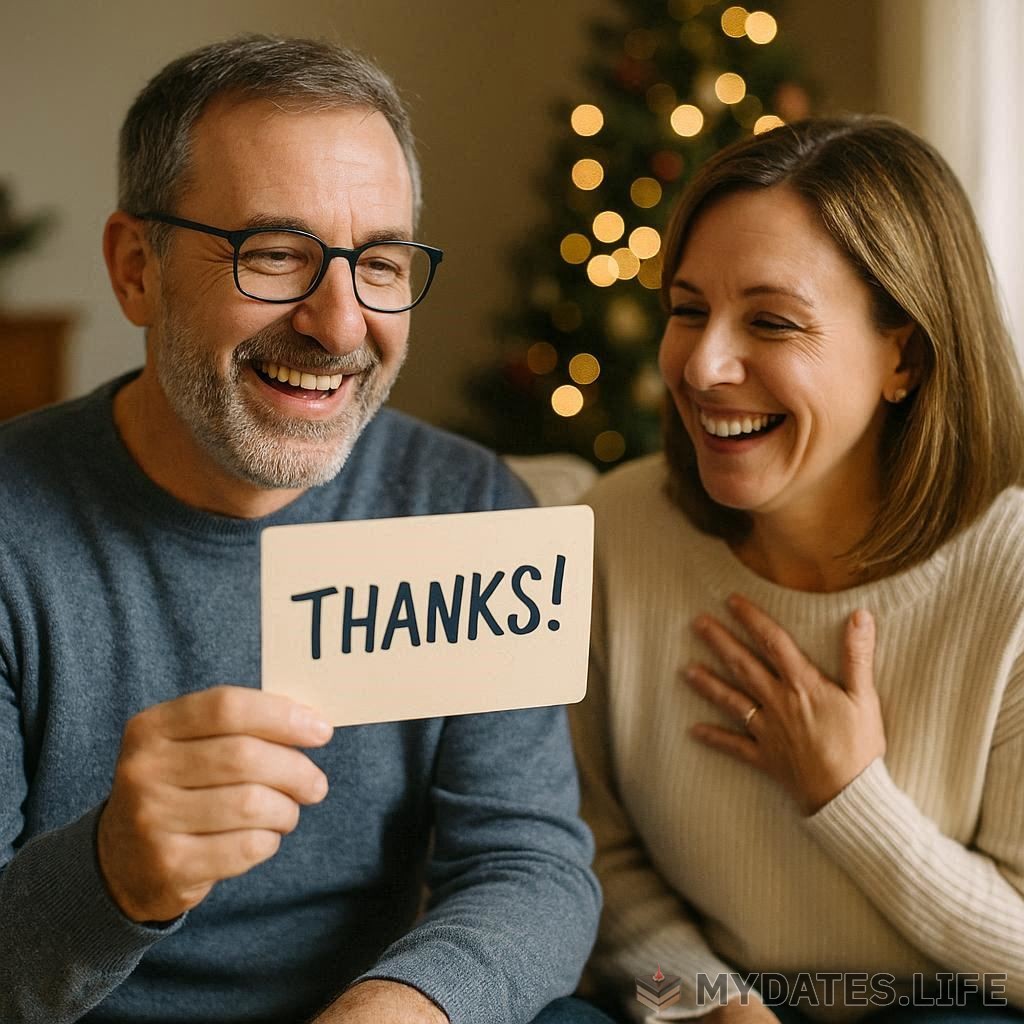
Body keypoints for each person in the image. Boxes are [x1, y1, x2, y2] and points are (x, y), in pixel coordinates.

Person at [0, 35, 610, 1024]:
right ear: (134, 268)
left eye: (379, 261)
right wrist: (111, 874)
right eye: (274, 254)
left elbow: (529, 865)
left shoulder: (468, 508)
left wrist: (403, 1005)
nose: (338, 324)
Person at [571, 116, 1024, 1024]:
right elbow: (588, 862)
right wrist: (711, 1006)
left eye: (771, 321)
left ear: (907, 356)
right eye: (688, 309)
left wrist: (848, 795)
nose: (701, 365)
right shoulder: (612, 534)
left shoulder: (1009, 572)